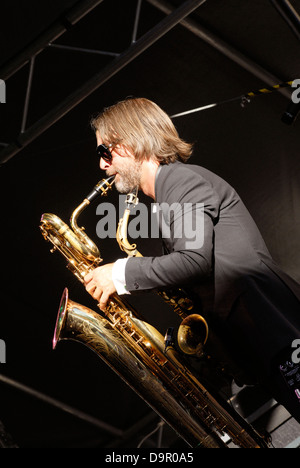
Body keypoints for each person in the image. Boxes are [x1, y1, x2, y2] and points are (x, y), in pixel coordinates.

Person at [84, 97, 300, 424]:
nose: (102, 165)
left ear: (130, 143)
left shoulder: (179, 182)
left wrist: (119, 273)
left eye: (104, 152)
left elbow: (195, 261)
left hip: (277, 334)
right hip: (267, 342)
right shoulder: (167, 197)